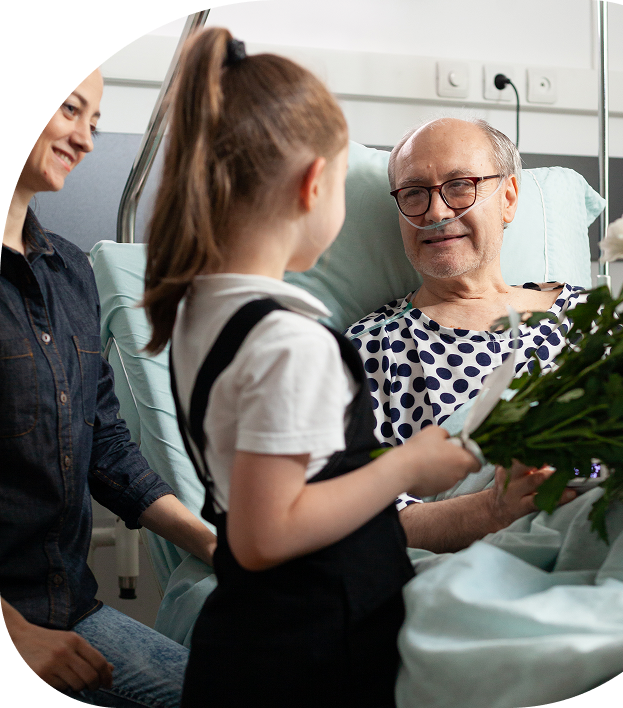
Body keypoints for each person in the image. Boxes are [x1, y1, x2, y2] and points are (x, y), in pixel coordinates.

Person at [141, 28, 476, 708]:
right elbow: (268, 533)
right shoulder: (291, 343)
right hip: (314, 658)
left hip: (256, 642)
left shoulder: (201, 311)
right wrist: (406, 468)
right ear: (315, 183)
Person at [1, 68, 217, 707]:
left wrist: (214, 544)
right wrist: (16, 634)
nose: (87, 139)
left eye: (95, 121)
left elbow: (106, 450)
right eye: (71, 110)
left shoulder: (69, 272)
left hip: (69, 608)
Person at [344, 117, 582, 554]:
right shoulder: (372, 348)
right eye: (414, 193)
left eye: (460, 186)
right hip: (492, 561)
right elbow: (365, 522)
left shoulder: (595, 318)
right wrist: (494, 509)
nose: (436, 212)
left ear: (508, 198)